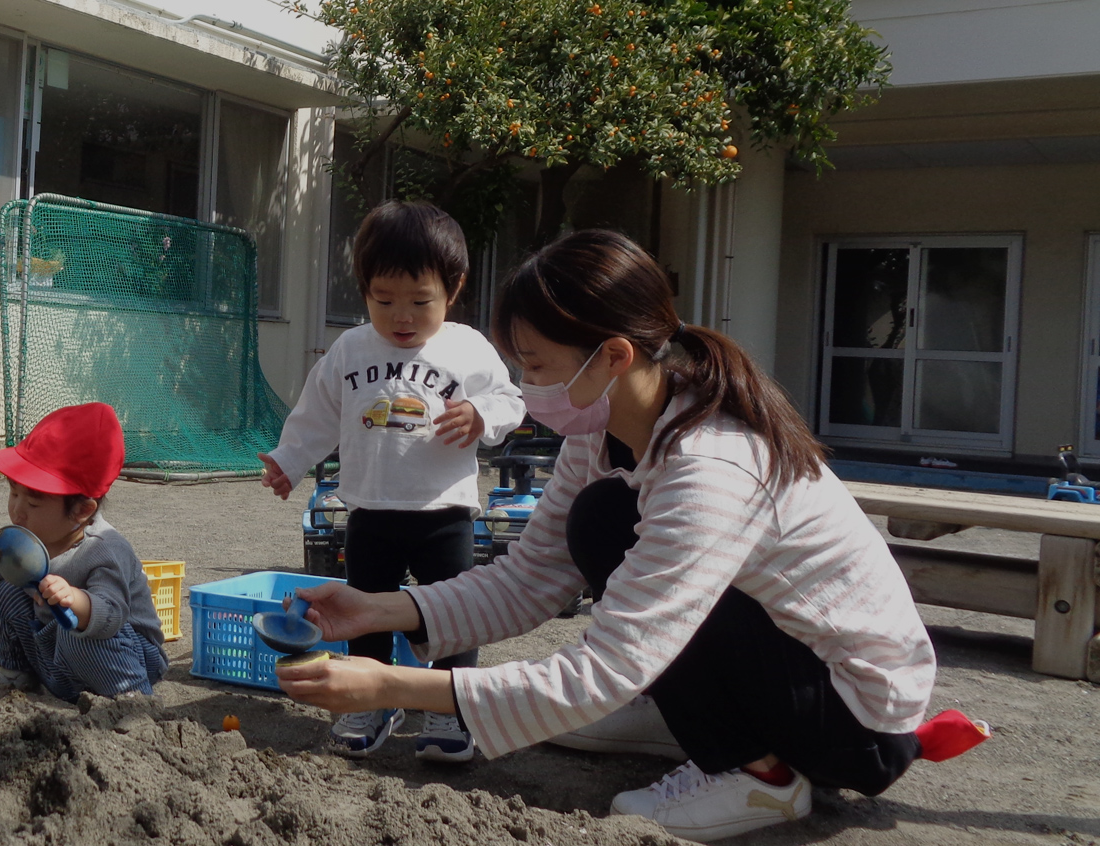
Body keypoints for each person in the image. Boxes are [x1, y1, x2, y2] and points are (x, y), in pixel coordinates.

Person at [276, 229, 936, 843]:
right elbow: (531, 575)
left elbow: (608, 666)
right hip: (785, 666)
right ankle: (679, 709)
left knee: (622, 548)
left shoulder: (710, 467)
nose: (528, 389)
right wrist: (380, 611)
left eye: (536, 366)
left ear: (614, 356)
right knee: (600, 518)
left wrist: (390, 686)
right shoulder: (603, 430)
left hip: (852, 718)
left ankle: (760, 773)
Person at [257, 201, 524, 761]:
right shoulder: (352, 348)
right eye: (384, 301)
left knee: (453, 615)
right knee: (364, 613)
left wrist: (481, 413)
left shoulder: (467, 347)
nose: (402, 316)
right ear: (364, 292)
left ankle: (450, 709)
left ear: (453, 288)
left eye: (420, 301)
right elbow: (317, 413)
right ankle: (371, 701)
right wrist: (288, 460)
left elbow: (510, 400)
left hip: (444, 512)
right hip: (369, 512)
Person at [0, 403, 168, 701]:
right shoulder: (27, 539)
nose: (17, 511)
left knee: (76, 631)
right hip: (58, 657)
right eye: (13, 493)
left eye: (33, 503)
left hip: (127, 658)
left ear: (81, 511)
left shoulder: (105, 549)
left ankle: (130, 700)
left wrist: (76, 599)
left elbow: (112, 615)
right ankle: (17, 677)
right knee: (5, 588)